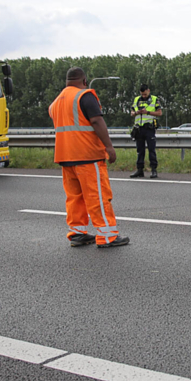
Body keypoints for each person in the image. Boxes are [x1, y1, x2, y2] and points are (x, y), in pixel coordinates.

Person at [48, 67, 129, 248]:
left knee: (74, 197)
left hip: (65, 156)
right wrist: (109, 146)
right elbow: (96, 120)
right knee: (98, 196)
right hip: (87, 156)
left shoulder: (56, 102)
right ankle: (107, 236)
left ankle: (77, 233)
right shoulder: (84, 96)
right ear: (85, 81)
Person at [130, 83, 162, 179]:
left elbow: (159, 113)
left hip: (149, 128)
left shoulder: (154, 99)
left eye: (145, 94)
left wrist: (147, 112)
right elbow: (131, 113)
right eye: (142, 94)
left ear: (149, 91)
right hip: (138, 129)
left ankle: (153, 170)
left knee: (151, 150)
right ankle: (140, 170)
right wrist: (136, 112)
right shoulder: (136, 100)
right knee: (140, 150)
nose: (143, 96)